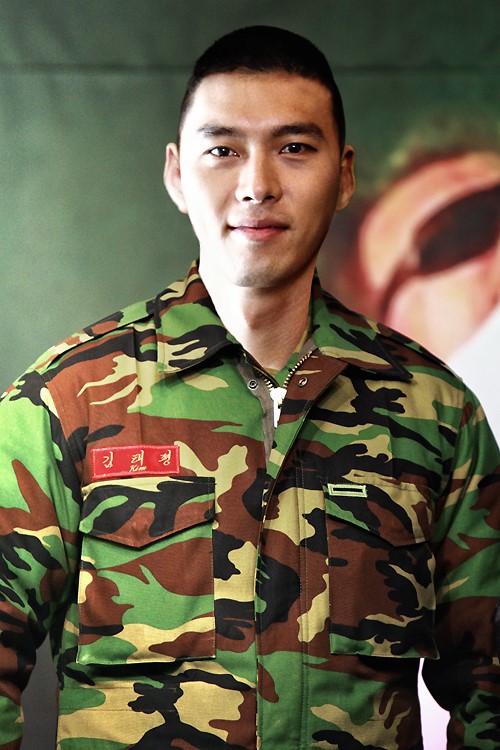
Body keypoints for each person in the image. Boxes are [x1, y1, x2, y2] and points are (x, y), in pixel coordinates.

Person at [0, 25, 499, 750]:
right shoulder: (66, 398)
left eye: (294, 147)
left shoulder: (435, 412)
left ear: (345, 175)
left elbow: (490, 685)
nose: (257, 184)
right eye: (223, 150)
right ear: (177, 175)